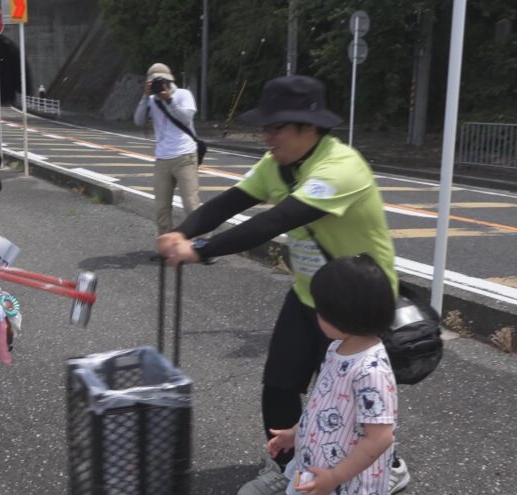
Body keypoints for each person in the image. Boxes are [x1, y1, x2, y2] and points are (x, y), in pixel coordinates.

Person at [155, 75, 410, 494]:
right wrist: (182, 231)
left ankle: (389, 462)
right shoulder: (278, 164)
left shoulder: (341, 167)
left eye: (276, 127)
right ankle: (290, 467)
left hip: (356, 302)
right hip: (310, 293)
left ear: (308, 128)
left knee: (350, 399)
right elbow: (231, 201)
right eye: (265, 126)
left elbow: (276, 221)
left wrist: (199, 250)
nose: (266, 135)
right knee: (279, 384)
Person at [270, 254, 397, 495]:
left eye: (321, 310)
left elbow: (380, 437)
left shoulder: (371, 370)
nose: (316, 315)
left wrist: (335, 477)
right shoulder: (336, 348)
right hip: (316, 466)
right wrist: (296, 433)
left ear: (344, 315)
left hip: (345, 482)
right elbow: (322, 404)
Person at [133, 62, 201, 237]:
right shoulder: (150, 99)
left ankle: (201, 244)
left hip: (185, 156)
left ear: (169, 81)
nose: (158, 85)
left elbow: (186, 119)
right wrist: (144, 97)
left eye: (161, 81)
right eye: (153, 82)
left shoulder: (183, 94)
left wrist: (169, 100)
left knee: (191, 204)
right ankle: (165, 244)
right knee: (161, 207)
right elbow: (138, 121)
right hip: (162, 158)